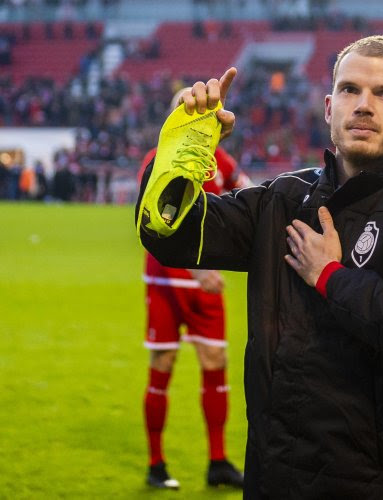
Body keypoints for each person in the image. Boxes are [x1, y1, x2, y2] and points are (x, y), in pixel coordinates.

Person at [136, 35, 383, 498]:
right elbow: (173, 236)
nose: (363, 105)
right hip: (273, 475)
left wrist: (331, 278)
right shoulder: (284, 198)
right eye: (349, 90)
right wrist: (185, 146)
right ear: (328, 107)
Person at [139, 88, 249, 490]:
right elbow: (153, 220)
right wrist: (194, 270)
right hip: (168, 280)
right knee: (163, 365)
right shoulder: (157, 161)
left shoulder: (220, 161)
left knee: (215, 361)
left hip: (207, 279)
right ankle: (156, 464)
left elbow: (250, 196)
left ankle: (218, 462)